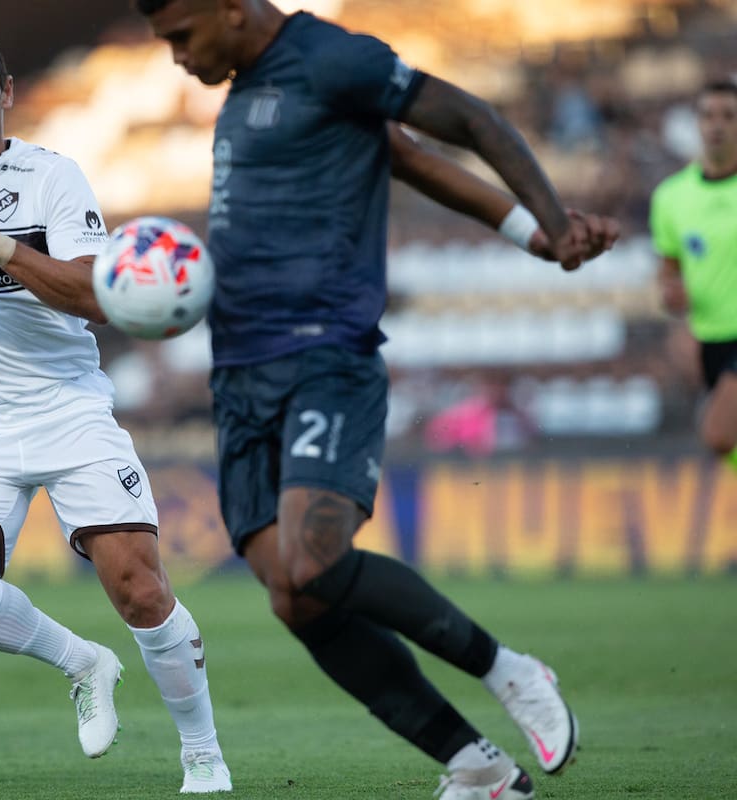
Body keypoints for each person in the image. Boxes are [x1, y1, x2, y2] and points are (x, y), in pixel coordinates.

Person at [134, 2, 618, 798]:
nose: (178, 57)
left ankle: (511, 669)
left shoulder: (332, 59)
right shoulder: (247, 85)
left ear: (231, 10)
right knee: (291, 594)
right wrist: (528, 235)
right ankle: (479, 770)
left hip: (325, 352)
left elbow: (468, 119)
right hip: (239, 370)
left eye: (183, 36)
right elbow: (407, 158)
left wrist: (553, 227)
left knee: (315, 560)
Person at [0, 17, 230, 793]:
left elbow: (97, 297)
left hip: (67, 407)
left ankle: (202, 752)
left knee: (138, 586)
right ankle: (82, 662)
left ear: (7, 94)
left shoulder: (52, 179)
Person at [650, 78, 737, 468]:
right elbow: (669, 268)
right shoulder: (671, 197)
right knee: (727, 448)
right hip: (710, 339)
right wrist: (671, 294)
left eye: (729, 116)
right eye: (708, 115)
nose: (717, 125)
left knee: (718, 432)